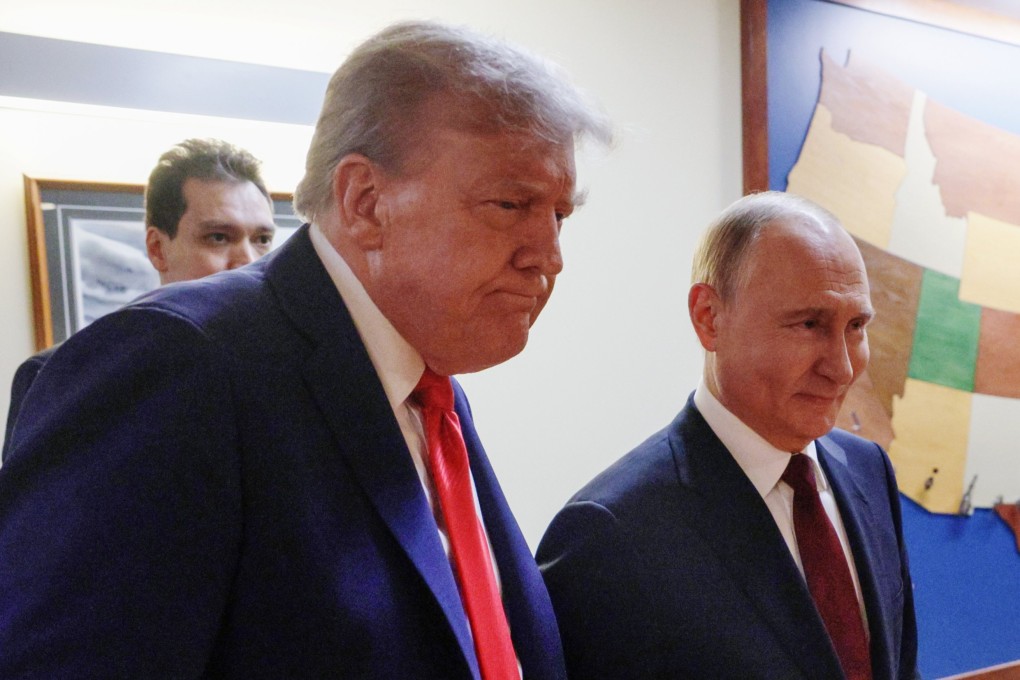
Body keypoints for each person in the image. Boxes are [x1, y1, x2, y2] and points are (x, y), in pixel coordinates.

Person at [0, 21, 610, 679]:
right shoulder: (178, 365)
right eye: (510, 204)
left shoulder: (429, 390)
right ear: (365, 202)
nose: (548, 256)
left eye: (559, 216)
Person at [537, 192, 919, 680]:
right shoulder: (609, 535)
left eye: (856, 325)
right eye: (809, 324)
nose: (842, 368)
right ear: (709, 318)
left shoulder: (868, 470)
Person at [1, 138, 276, 461]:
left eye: (262, 239)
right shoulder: (65, 377)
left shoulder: (289, 371)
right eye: (218, 237)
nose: (248, 261)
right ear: (158, 249)